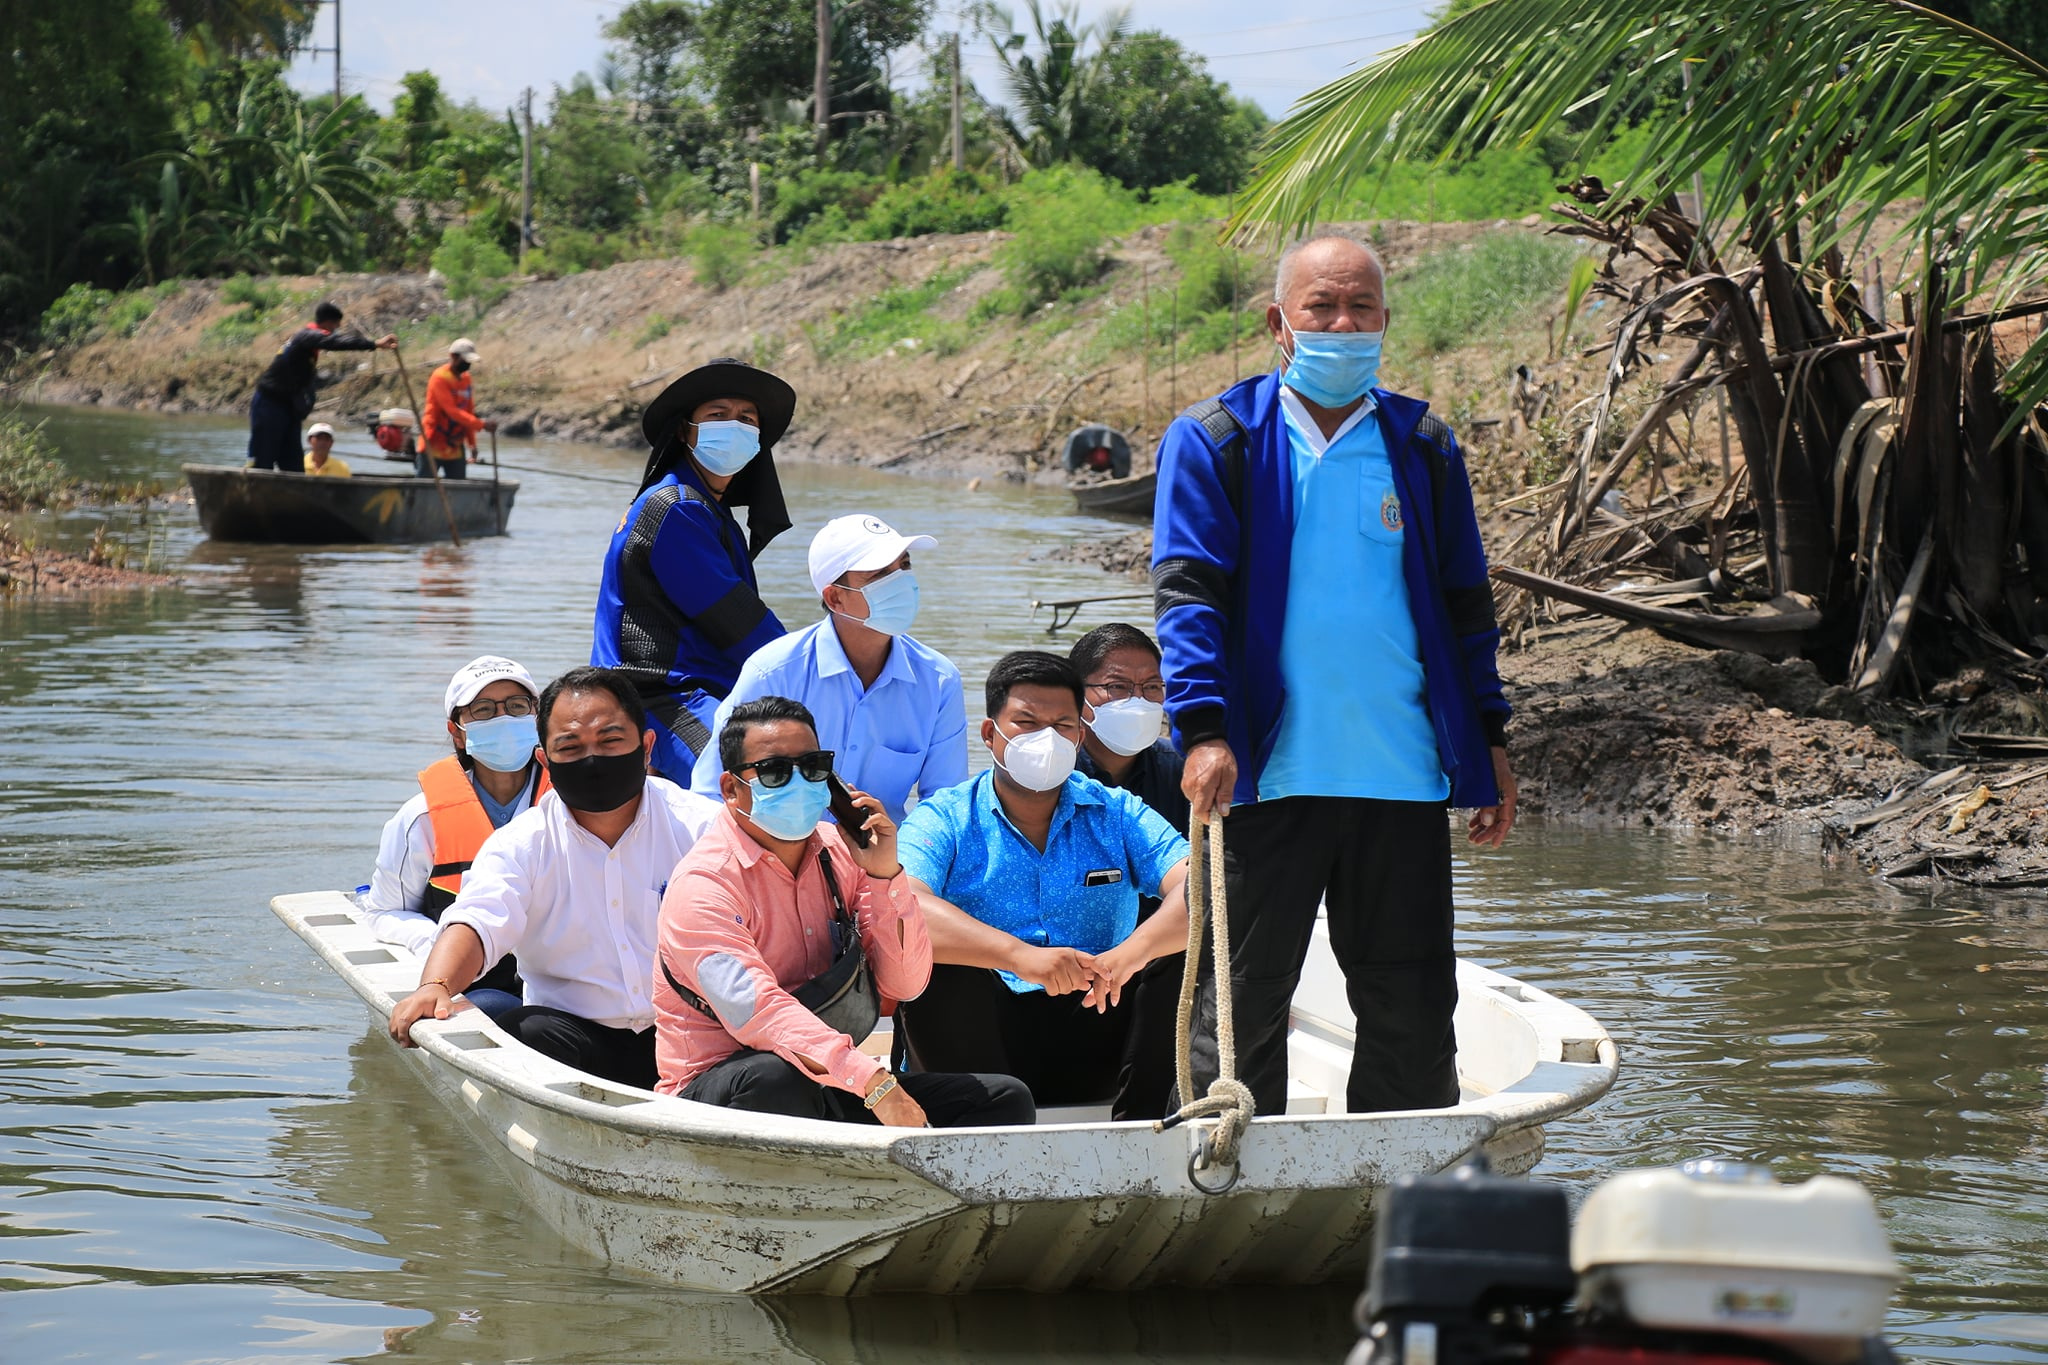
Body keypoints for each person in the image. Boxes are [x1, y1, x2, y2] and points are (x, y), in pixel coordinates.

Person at [1150, 233, 1517, 1118]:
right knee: (1239, 1001)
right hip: (1264, 775)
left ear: (1386, 321)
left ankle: (1395, 1188)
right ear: (1279, 321)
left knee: (1414, 1004)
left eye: (1361, 308)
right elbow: (1188, 595)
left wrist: (1490, 739)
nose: (1342, 324)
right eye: (1322, 307)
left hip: (1399, 772)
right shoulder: (1219, 439)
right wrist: (1203, 731)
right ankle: (1221, 1184)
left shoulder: (1422, 445)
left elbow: (1468, 604)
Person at [655, 698, 1034, 1128]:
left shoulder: (840, 852)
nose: (798, 782)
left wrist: (885, 874)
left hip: (832, 1082)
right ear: (730, 788)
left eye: (812, 767)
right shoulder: (703, 886)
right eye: (776, 772)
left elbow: (905, 984)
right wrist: (875, 1083)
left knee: (1003, 1099)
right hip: (723, 1091)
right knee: (776, 1079)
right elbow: (757, 1012)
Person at [387, 666, 720, 1089]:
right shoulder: (521, 843)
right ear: (545, 759)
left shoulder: (704, 828)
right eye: (571, 747)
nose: (592, 758)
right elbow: (477, 918)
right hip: (577, 1037)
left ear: (647, 746)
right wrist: (435, 985)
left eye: (610, 740)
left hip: (696, 1034)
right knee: (525, 1032)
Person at [893, 652, 1191, 1119]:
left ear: (1080, 735)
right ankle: (981, 1127)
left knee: (1176, 954)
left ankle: (1145, 1129)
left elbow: (1203, 888)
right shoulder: (945, 816)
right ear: (990, 734)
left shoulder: (1118, 811)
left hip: (1097, 1015)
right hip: (980, 1046)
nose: (1046, 739)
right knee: (935, 963)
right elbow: (902, 905)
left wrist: (1129, 956)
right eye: (1027, 723)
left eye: (1062, 726)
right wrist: (1020, 957)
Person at [592, 357, 796, 780]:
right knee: (743, 783)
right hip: (663, 697)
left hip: (705, 692)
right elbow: (739, 623)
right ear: (686, 430)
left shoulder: (706, 509)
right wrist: (818, 665)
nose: (734, 426)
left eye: (746, 418)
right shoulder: (678, 508)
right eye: (717, 415)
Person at [689, 515, 966, 823]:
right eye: (880, 574)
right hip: (780, 857)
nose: (901, 580)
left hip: (883, 859)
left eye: (904, 565)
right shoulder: (773, 673)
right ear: (835, 598)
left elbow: (945, 806)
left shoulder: (939, 682)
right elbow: (712, 791)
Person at [362, 656, 548, 1019]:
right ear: (457, 731)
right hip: (471, 983)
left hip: (556, 976)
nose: (504, 719)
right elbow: (385, 911)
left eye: (516, 706)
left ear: (536, 717)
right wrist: (444, 945)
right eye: (483, 710)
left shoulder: (571, 805)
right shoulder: (421, 818)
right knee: (496, 1008)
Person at [1067, 622, 1186, 1120]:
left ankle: (1144, 1122)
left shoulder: (1181, 773)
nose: (1137, 701)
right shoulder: (1043, 776)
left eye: (1152, 688)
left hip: (1151, 965)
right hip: (1063, 964)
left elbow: (1213, 884)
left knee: (1182, 956)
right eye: (1117, 687)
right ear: (1079, 698)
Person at [247, 301, 395, 472]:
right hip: (269, 405)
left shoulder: (308, 347)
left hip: (288, 407)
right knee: (263, 459)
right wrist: (374, 344)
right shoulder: (307, 336)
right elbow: (336, 342)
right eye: (335, 327)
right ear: (327, 324)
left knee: (293, 464)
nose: (335, 331)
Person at [420, 338, 495, 480]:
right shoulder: (439, 377)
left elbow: (468, 412)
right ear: (453, 357)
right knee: (425, 488)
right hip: (433, 442)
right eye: (465, 361)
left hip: (455, 445)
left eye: (469, 362)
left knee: (457, 486)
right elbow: (452, 411)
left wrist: (472, 443)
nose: (467, 365)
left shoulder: (466, 379)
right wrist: (482, 424)